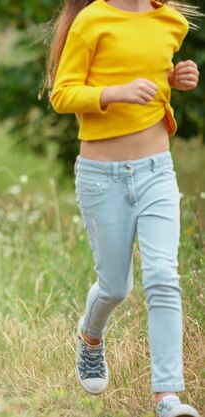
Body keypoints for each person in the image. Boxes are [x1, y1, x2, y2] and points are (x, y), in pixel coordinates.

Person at [45, 1, 200, 415]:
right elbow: (62, 94)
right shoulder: (91, 21)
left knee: (164, 276)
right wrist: (115, 93)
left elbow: (150, 78)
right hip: (101, 176)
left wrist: (174, 79)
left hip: (157, 169)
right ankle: (90, 336)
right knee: (116, 286)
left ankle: (167, 396)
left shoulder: (171, 21)